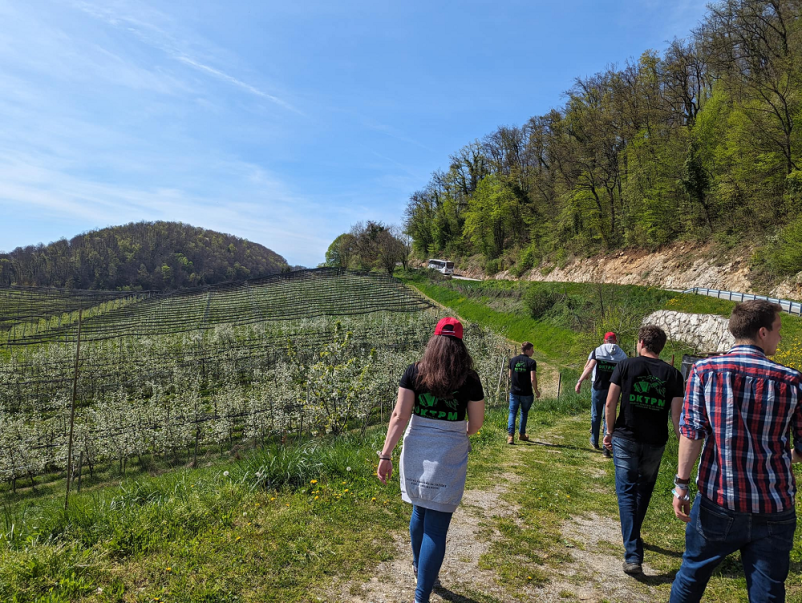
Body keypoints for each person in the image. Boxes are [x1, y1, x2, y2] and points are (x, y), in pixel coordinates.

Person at [670, 301, 802, 603]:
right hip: (774, 505)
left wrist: (682, 486)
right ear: (763, 332)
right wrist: (786, 456)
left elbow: (692, 433)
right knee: (768, 593)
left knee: (691, 576)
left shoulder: (705, 370)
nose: (781, 338)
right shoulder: (792, 380)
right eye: (779, 330)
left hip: (719, 498)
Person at [377, 317, 485, 603]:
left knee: (419, 511)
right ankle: (421, 595)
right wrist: (453, 431)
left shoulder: (414, 372)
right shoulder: (470, 379)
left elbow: (400, 416)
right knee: (436, 527)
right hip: (449, 452)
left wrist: (385, 455)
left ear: (433, 342)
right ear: (461, 346)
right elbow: (476, 424)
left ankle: (418, 566)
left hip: (416, 450)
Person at [603, 324, 684, 575]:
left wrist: (609, 432)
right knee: (643, 490)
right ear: (661, 347)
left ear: (640, 343)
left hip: (625, 437)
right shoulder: (674, 375)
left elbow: (610, 402)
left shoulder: (625, 366)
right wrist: (682, 446)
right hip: (655, 442)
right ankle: (633, 538)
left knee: (626, 491)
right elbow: (677, 416)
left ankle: (633, 553)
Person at [576, 332, 627, 457]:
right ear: (615, 341)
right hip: (613, 390)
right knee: (609, 416)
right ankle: (606, 448)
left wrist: (580, 381)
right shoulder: (622, 354)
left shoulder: (598, 350)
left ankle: (594, 440)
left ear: (605, 340)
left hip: (598, 387)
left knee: (596, 414)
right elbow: (626, 373)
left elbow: (589, 367)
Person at [507, 341, 540, 444]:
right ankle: (521, 434)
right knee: (524, 413)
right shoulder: (531, 362)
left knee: (512, 412)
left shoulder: (513, 360)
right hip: (526, 393)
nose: (533, 352)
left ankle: (510, 436)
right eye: (532, 350)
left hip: (514, 392)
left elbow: (509, 375)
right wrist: (536, 390)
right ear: (527, 350)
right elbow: (533, 378)